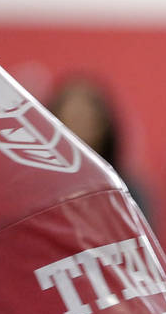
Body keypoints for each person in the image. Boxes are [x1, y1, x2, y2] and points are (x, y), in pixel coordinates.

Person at [48, 75, 152, 222]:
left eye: (86, 120)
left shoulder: (126, 189)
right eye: (72, 119)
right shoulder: (44, 191)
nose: (79, 130)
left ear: (104, 127)